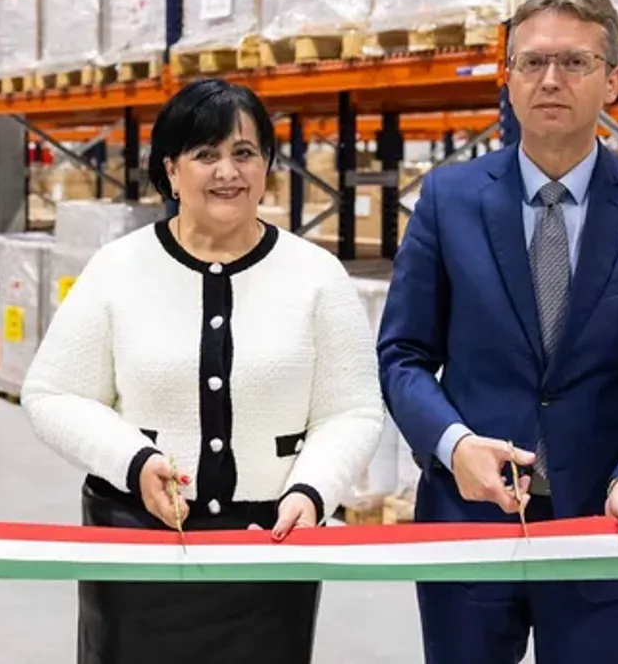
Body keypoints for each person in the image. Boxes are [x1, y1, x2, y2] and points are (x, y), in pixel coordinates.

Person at [376, 0, 618, 664]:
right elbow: (402, 355)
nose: (550, 79)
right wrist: (453, 446)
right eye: (532, 61)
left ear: (612, 80)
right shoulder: (447, 199)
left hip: (603, 529)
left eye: (574, 62)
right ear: (507, 79)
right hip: (468, 528)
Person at [19, 77, 385, 664]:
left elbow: (352, 410)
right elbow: (51, 394)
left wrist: (312, 491)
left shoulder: (317, 276)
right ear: (170, 169)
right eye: (206, 154)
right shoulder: (118, 268)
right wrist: (135, 461)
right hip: (139, 550)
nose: (227, 172)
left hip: (268, 551)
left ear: (267, 166)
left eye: (244, 153)